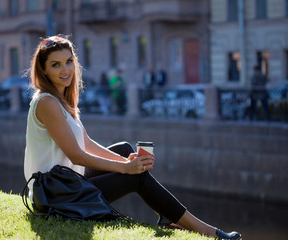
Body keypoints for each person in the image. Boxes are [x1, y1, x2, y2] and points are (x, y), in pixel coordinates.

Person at [23, 34, 241, 240]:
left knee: (126, 150)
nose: (66, 70)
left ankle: (165, 214)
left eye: (69, 61)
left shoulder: (59, 100)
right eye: (56, 64)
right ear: (43, 70)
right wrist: (126, 169)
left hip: (68, 183)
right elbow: (77, 155)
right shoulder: (47, 102)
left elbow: (86, 143)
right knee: (134, 176)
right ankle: (207, 231)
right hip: (56, 196)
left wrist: (127, 162)